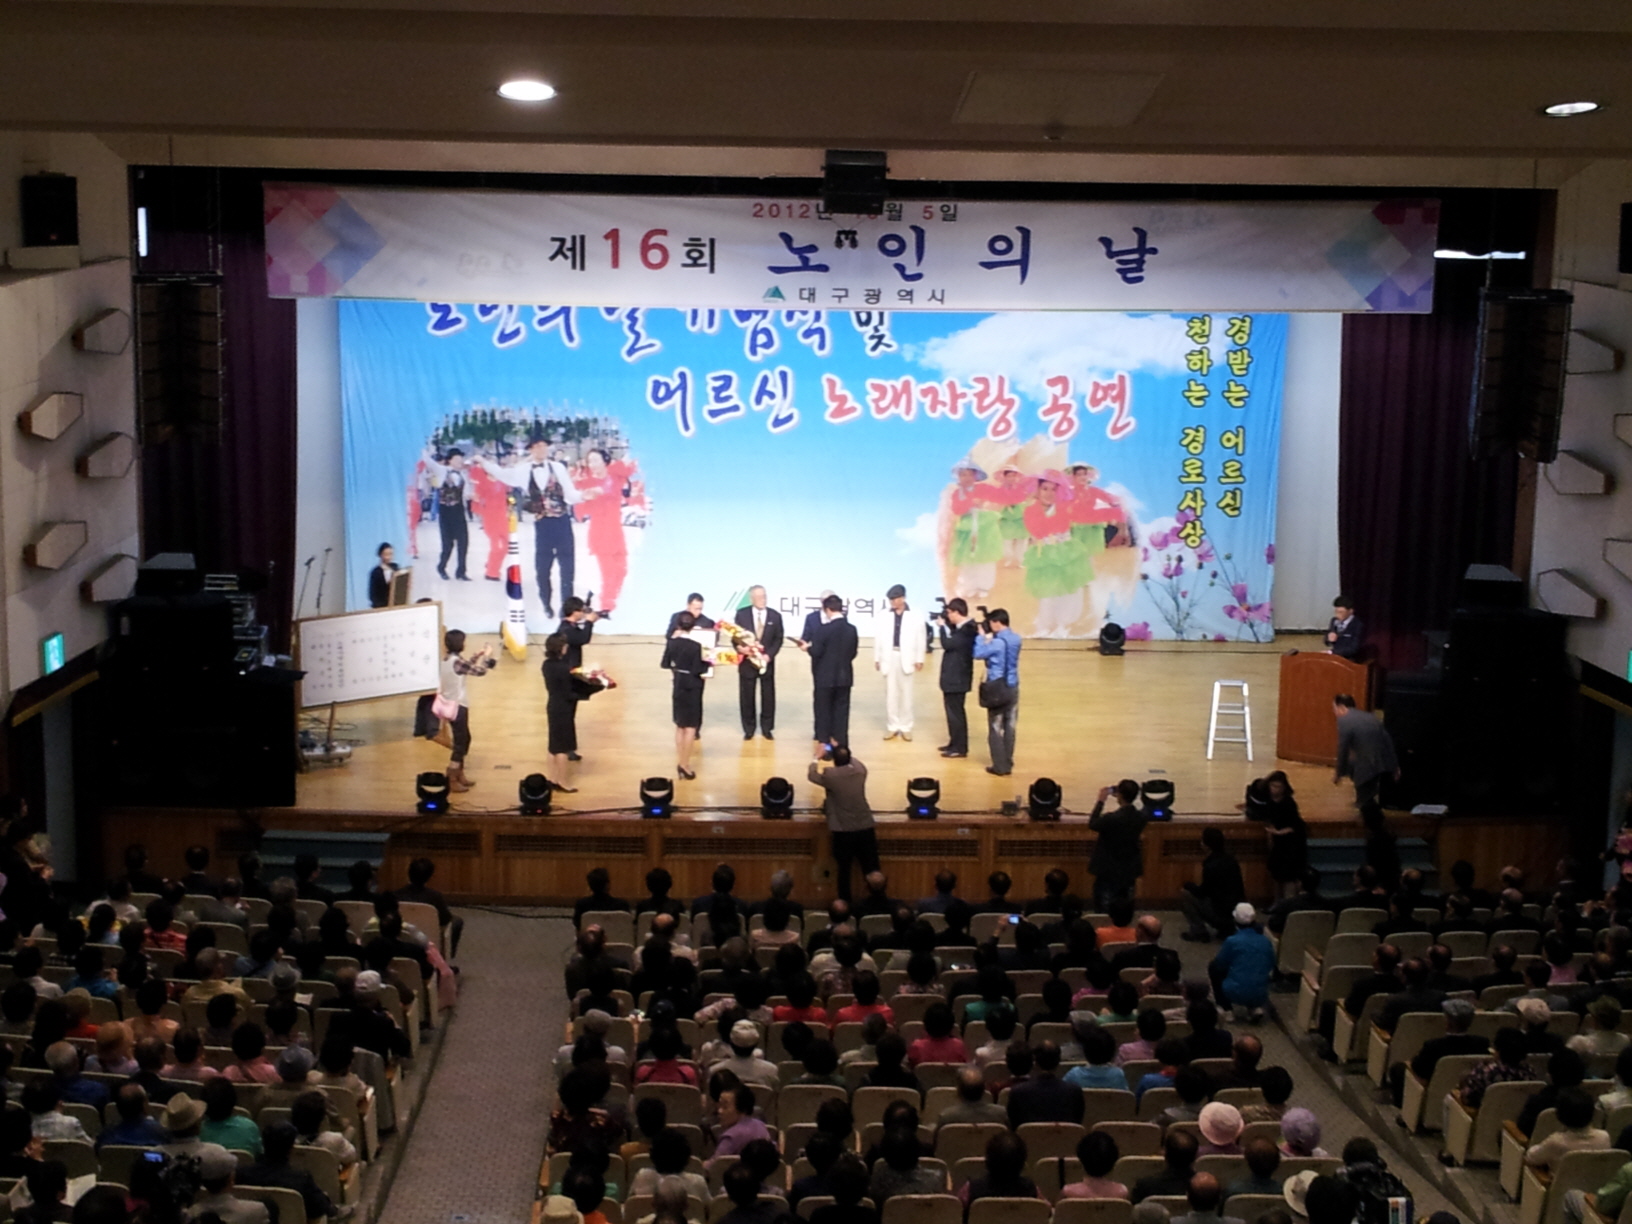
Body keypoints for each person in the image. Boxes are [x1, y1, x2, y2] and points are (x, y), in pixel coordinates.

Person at [477, 431, 582, 619]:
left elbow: (570, 494)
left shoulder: (558, 468)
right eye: (537, 446)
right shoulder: (524, 471)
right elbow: (502, 474)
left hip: (562, 523)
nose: (541, 449)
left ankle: (565, 608)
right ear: (531, 450)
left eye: (544, 445)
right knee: (542, 569)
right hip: (542, 525)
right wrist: (483, 462)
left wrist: (583, 496)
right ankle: (546, 603)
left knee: (567, 568)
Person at [807, 745, 876, 903]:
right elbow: (854, 761)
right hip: (865, 827)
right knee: (871, 868)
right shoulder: (860, 771)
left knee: (844, 870)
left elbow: (812, 775)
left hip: (843, 831)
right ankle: (876, 902)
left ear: (834, 760)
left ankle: (845, 904)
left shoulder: (831, 775)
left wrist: (816, 757)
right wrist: (840, 748)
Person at [573, 447, 634, 615]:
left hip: (616, 531)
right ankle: (607, 606)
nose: (592, 464)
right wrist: (584, 496)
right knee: (608, 573)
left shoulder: (615, 476)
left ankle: (611, 598)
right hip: (600, 533)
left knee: (621, 570)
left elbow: (629, 468)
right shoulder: (586, 483)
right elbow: (579, 510)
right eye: (589, 461)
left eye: (595, 460)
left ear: (605, 460)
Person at [543, 633, 604, 793]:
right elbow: (569, 693)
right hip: (564, 708)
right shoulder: (563, 668)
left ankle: (552, 778)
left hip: (553, 705)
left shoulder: (547, 665)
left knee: (553, 746)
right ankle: (563, 782)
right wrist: (596, 686)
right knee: (562, 748)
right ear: (561, 648)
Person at [438, 628, 495, 792]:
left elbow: (464, 666)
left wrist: (477, 655)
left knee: (464, 739)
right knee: (461, 743)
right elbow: (480, 671)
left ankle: (459, 774)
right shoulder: (457, 662)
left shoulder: (447, 660)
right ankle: (451, 776)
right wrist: (487, 657)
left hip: (448, 704)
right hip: (458, 706)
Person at [873, 584, 926, 742]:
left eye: (895, 599)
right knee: (890, 694)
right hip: (889, 656)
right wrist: (877, 658)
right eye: (891, 600)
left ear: (903, 598)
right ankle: (892, 725)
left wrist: (919, 658)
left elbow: (921, 637)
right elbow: (878, 637)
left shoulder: (915, 615)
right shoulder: (883, 615)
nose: (893, 602)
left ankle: (906, 726)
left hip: (907, 656)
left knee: (906, 694)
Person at [971, 607, 1021, 776]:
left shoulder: (997, 643)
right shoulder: (1016, 639)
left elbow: (977, 653)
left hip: (997, 686)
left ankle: (999, 766)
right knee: (1010, 726)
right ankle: (1008, 760)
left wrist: (981, 637)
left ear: (997, 623)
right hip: (1013, 685)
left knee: (995, 727)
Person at [804, 595, 857, 749]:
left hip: (824, 678)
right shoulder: (852, 629)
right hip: (844, 677)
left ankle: (826, 748)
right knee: (842, 713)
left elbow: (816, 652)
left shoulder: (823, 630)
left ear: (827, 610)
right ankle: (841, 746)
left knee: (824, 712)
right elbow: (853, 653)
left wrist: (807, 648)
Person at [1089, 780, 1150, 908]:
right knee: (1125, 903)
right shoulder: (1141, 818)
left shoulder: (1111, 819)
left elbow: (1093, 823)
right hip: (1129, 867)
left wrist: (1101, 801)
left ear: (1119, 795)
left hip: (1108, 867)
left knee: (1103, 903)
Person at [1334, 694, 1398, 816]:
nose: (1335, 712)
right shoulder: (1371, 717)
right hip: (1381, 760)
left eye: (1335, 708)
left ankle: (1366, 810)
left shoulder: (1344, 720)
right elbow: (1387, 740)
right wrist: (1395, 765)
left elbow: (1343, 748)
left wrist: (1338, 773)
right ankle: (1367, 802)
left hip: (1366, 762)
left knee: (1364, 791)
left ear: (1341, 707)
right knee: (1358, 771)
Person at [662, 612, 708, 780]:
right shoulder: (695, 646)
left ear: (678, 625)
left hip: (678, 684)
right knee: (690, 727)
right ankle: (684, 765)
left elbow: (665, 663)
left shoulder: (672, 643)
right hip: (692, 686)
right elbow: (698, 669)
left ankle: (681, 761)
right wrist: (708, 662)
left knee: (680, 725)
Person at [1210, 903, 1275, 1022]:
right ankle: (1255, 1007)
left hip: (1233, 991)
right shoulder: (1265, 941)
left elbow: (1220, 964)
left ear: (1235, 921)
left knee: (1213, 967)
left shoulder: (1232, 941)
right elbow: (1271, 963)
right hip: (1261, 993)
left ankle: (1226, 1008)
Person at [1181, 827, 1247, 942]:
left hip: (1220, 913)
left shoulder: (1210, 865)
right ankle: (1226, 929)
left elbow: (1203, 893)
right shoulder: (1231, 860)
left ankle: (1199, 932)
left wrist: (1188, 885)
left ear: (1206, 845)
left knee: (1185, 894)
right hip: (1235, 913)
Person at [736, 585, 783, 741]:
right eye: (759, 597)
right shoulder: (741, 615)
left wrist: (769, 656)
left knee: (768, 696)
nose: (763, 599)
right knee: (747, 696)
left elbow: (778, 639)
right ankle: (749, 728)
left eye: (764, 596)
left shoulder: (775, 616)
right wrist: (741, 649)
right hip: (747, 663)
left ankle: (767, 728)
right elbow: (735, 637)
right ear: (751, 599)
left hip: (766, 663)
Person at [422, 446, 473, 582]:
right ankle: (441, 567)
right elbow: (429, 462)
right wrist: (422, 450)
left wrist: (470, 496)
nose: (460, 461)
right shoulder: (442, 471)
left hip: (459, 511)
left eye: (461, 458)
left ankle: (461, 571)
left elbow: (466, 491)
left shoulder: (463, 475)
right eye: (457, 458)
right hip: (446, 512)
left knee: (463, 542)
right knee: (448, 544)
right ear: (450, 460)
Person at [935, 597, 976, 758]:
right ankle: (954, 743)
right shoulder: (961, 628)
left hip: (958, 679)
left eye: (950, 612)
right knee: (952, 713)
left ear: (957, 612)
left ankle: (960, 747)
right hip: (953, 679)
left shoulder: (968, 629)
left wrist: (942, 627)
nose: (948, 616)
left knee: (956, 714)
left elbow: (948, 644)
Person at [367, 542, 399, 608]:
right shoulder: (376, 572)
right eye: (386, 554)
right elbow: (372, 595)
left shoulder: (396, 568)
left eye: (390, 554)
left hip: (396, 605)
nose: (388, 557)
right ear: (380, 555)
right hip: (382, 606)